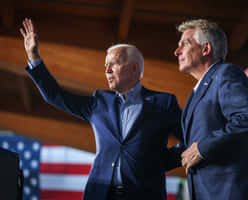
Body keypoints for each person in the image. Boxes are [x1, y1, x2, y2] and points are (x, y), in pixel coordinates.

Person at [20, 18, 183, 200]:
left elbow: (190, 138)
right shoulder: (100, 101)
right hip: (100, 194)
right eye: (106, 65)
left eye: (114, 63)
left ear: (134, 68)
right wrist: (34, 57)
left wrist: (159, 162)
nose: (107, 70)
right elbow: (55, 96)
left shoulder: (163, 103)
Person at [174, 19, 248, 200]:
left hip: (233, 192)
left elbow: (246, 118)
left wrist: (202, 148)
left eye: (185, 44)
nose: (176, 51)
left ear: (206, 49)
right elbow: (192, 146)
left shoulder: (226, 73)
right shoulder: (196, 93)